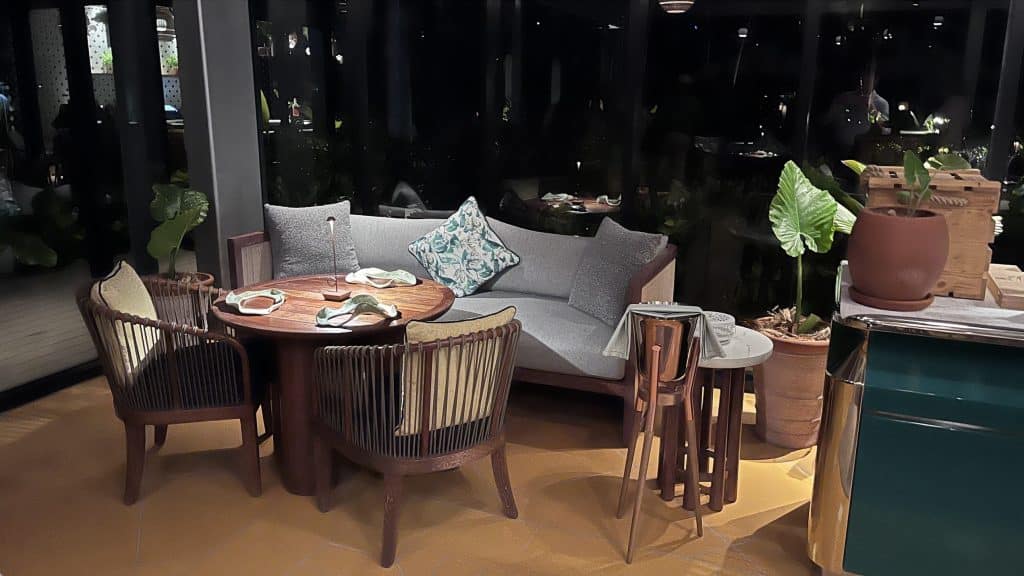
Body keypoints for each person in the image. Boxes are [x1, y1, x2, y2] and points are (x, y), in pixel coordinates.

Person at [824, 68, 890, 156]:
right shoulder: (844, 98)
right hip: (840, 149)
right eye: (863, 77)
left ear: (876, 80)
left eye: (869, 78)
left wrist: (872, 110)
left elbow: (885, 131)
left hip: (866, 151)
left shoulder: (881, 103)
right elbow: (829, 120)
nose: (865, 80)